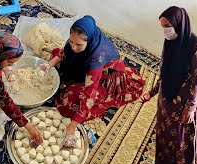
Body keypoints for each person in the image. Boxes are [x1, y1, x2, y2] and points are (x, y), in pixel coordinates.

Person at [40, 15, 145, 146]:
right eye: (72, 41)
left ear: (89, 41)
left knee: (69, 103)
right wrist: (49, 64)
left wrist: (72, 126)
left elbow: (89, 94)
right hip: (85, 65)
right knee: (55, 54)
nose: (73, 47)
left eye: (79, 45)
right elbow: (65, 51)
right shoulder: (76, 38)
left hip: (103, 77)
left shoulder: (97, 58)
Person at [140, 6, 197, 164]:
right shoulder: (170, 41)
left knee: (181, 141)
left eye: (167, 25)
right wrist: (152, 93)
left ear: (178, 23)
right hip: (165, 101)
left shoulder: (195, 46)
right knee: (164, 136)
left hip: (183, 104)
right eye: (162, 26)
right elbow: (165, 73)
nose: (165, 30)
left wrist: (190, 108)